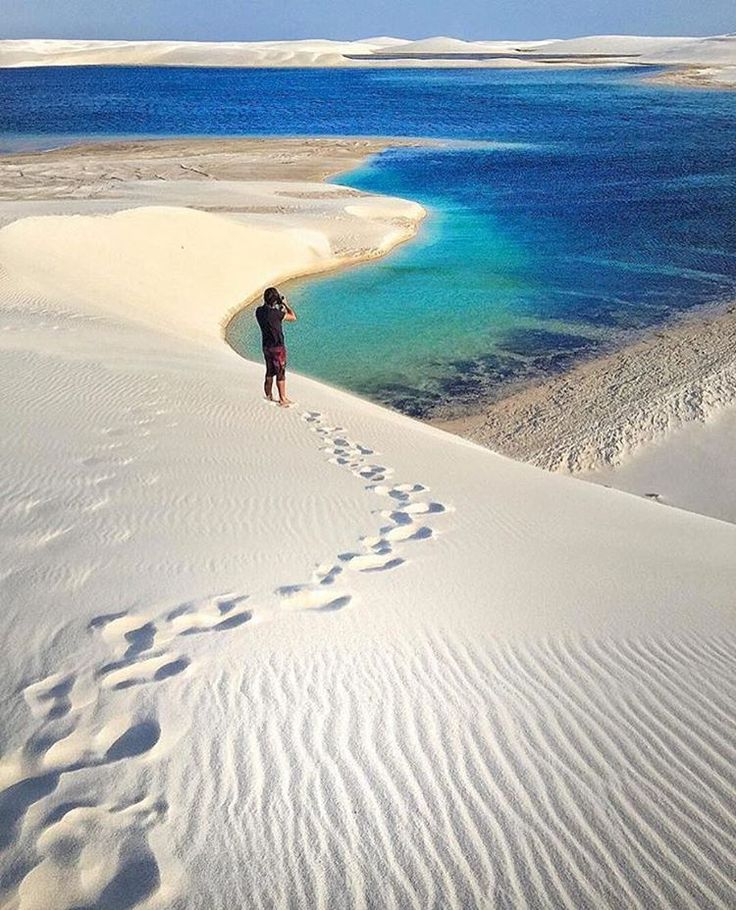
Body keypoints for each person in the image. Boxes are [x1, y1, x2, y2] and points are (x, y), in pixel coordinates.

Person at [255, 286, 297, 407]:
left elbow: (267, 312)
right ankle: (282, 399)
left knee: (269, 371)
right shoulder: (276, 314)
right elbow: (293, 317)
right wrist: (285, 304)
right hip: (278, 347)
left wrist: (278, 306)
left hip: (266, 346)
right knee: (280, 372)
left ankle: (268, 396)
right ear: (275, 300)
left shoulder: (258, 312)